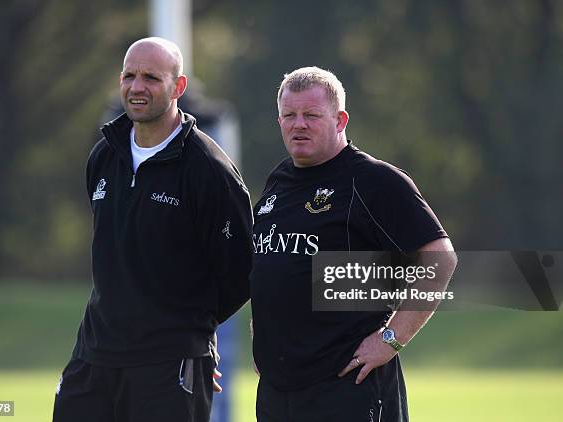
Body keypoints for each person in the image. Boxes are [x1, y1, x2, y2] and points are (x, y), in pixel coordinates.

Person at [53, 37, 253, 422]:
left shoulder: (209, 169)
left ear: (178, 87)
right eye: (130, 76)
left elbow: (241, 272)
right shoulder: (104, 153)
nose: (137, 87)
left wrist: (191, 338)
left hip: (169, 363)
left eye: (151, 78)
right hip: (95, 355)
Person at [250, 67, 457, 422]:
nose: (298, 124)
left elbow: (440, 259)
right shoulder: (279, 180)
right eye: (289, 115)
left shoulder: (373, 180)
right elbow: (273, 269)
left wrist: (390, 339)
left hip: (346, 387)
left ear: (340, 119)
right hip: (278, 391)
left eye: (311, 115)